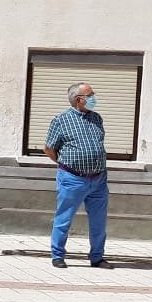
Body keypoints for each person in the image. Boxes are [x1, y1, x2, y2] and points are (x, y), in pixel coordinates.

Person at [45, 81, 110, 269]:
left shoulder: (97, 118)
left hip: (98, 179)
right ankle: (57, 255)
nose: (94, 98)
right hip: (73, 179)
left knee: (99, 221)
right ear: (78, 99)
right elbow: (49, 148)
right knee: (64, 218)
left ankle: (97, 257)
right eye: (90, 95)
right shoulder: (61, 120)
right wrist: (66, 164)